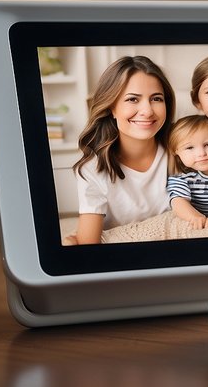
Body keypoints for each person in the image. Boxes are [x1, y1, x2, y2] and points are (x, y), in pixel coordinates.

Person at [68, 55, 174, 245]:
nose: (147, 111)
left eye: (156, 98)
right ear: (111, 108)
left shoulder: (182, 150)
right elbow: (87, 247)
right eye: (133, 99)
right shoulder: (92, 169)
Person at [166, 115, 208, 229]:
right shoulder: (182, 178)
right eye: (190, 148)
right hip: (197, 217)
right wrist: (195, 217)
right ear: (176, 152)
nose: (201, 153)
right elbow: (178, 202)